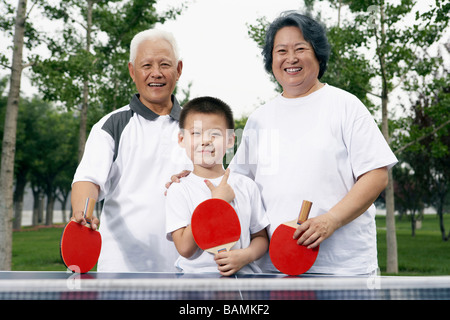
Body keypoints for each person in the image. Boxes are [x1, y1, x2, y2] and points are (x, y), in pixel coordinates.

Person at [228, 11, 398, 276]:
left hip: (343, 272)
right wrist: (191, 178)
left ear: (318, 54)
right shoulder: (258, 119)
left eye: (300, 48)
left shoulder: (346, 106)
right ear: (271, 60)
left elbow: (376, 175)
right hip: (274, 270)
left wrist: (331, 220)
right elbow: (238, 184)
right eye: (281, 50)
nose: (291, 58)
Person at [70, 29, 192, 272]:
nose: (156, 73)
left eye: (164, 64)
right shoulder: (111, 125)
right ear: (132, 71)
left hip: (187, 269)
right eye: (146, 65)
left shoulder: (198, 126)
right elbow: (88, 180)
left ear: (178, 70)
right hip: (122, 270)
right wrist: (83, 213)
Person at [165, 96, 269, 276]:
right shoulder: (179, 189)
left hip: (246, 285)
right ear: (182, 139)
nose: (205, 140)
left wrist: (246, 255)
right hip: (195, 287)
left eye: (215, 134)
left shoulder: (246, 186)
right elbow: (185, 248)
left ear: (230, 140)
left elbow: (260, 238)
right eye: (196, 133)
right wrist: (215, 204)